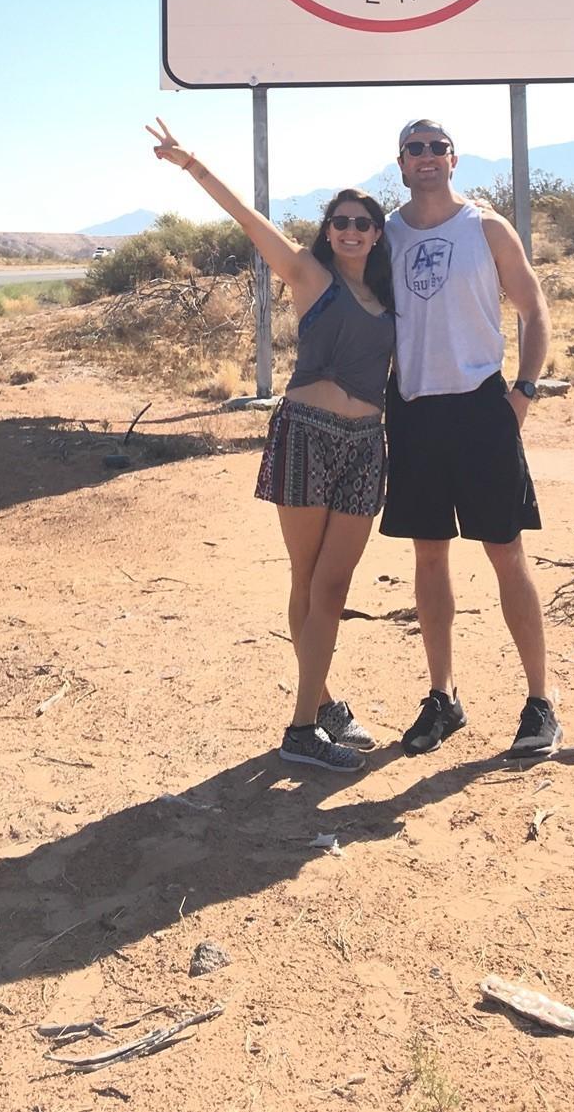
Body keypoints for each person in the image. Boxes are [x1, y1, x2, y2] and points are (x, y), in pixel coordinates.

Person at [146, 117, 395, 773]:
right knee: (310, 581)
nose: (349, 231)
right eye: (339, 221)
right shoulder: (309, 275)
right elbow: (246, 219)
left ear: (377, 233)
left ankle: (321, 700)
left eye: (362, 223)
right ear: (327, 229)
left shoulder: (389, 296)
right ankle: (304, 725)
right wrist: (192, 163)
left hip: (366, 443)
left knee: (331, 585)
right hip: (306, 436)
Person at [381, 118, 563, 760]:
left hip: (483, 408)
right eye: (414, 149)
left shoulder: (485, 227)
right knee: (428, 558)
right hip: (414, 411)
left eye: (437, 147)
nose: (426, 158)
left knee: (505, 552)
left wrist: (524, 391)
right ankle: (443, 696)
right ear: (400, 163)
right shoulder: (388, 235)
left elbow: (533, 306)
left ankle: (540, 702)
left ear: (454, 159)